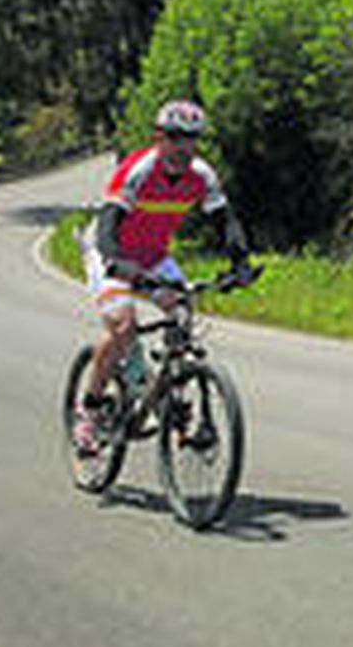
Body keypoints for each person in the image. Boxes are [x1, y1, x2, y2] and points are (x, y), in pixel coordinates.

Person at [73, 99, 256, 454]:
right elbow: (110, 222)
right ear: (159, 138)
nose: (182, 147)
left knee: (183, 315)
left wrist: (241, 263)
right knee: (123, 328)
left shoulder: (202, 175)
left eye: (190, 139)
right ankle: (90, 410)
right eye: (174, 138)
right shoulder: (139, 169)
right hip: (108, 251)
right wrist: (117, 263)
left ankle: (169, 397)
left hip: (154, 256)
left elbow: (226, 222)